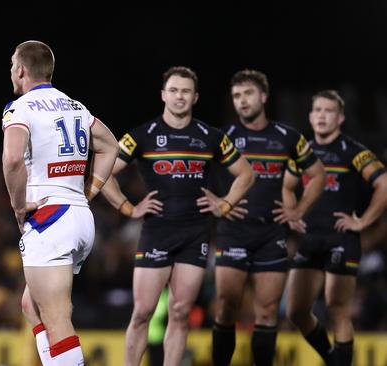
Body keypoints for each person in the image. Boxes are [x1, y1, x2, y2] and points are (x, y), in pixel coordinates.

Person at [100, 66, 255, 366]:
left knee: (181, 312)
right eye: (173, 90)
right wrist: (127, 207)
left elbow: (246, 174)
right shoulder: (141, 135)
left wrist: (224, 205)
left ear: (195, 97)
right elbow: (103, 173)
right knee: (143, 311)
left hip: (195, 235)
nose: (179, 96)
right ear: (163, 95)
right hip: (156, 232)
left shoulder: (211, 137)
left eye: (185, 91)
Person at [2, 40, 119, 365]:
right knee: (32, 306)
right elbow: (110, 147)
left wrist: (18, 205)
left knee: (56, 318)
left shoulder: (20, 108)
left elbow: (12, 159)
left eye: (13, 65)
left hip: (48, 218)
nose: (11, 71)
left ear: (22, 70)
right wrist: (89, 192)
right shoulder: (76, 106)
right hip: (80, 217)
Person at [211, 70, 326, 366]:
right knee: (225, 307)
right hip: (232, 232)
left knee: (267, 311)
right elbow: (196, 171)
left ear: (264, 96)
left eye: (248, 94)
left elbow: (318, 175)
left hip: (271, 235)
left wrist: (298, 210)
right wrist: (221, 202)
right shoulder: (224, 137)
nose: (242, 101)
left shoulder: (287, 137)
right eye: (236, 96)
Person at [285, 90, 387, 366]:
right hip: (310, 239)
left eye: (328, 111)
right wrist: (293, 212)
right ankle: (332, 359)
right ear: (309, 116)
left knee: (337, 309)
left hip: (341, 238)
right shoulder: (302, 151)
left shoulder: (353, 151)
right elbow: (286, 186)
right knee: (296, 312)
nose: (321, 116)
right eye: (317, 110)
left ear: (340, 117)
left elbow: (384, 184)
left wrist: (363, 221)